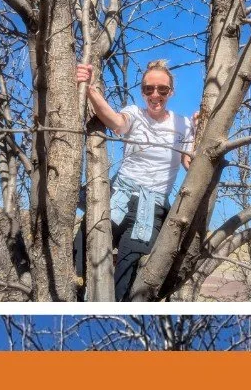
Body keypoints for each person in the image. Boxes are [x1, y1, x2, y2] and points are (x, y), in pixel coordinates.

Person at [75, 58, 197, 301]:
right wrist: (88, 88)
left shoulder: (183, 124)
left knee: (127, 279)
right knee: (81, 249)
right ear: (142, 91)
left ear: (170, 92)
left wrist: (203, 128)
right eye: (148, 89)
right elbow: (116, 122)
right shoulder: (134, 113)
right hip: (118, 197)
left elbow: (189, 163)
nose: (155, 94)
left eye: (162, 89)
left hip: (151, 210)